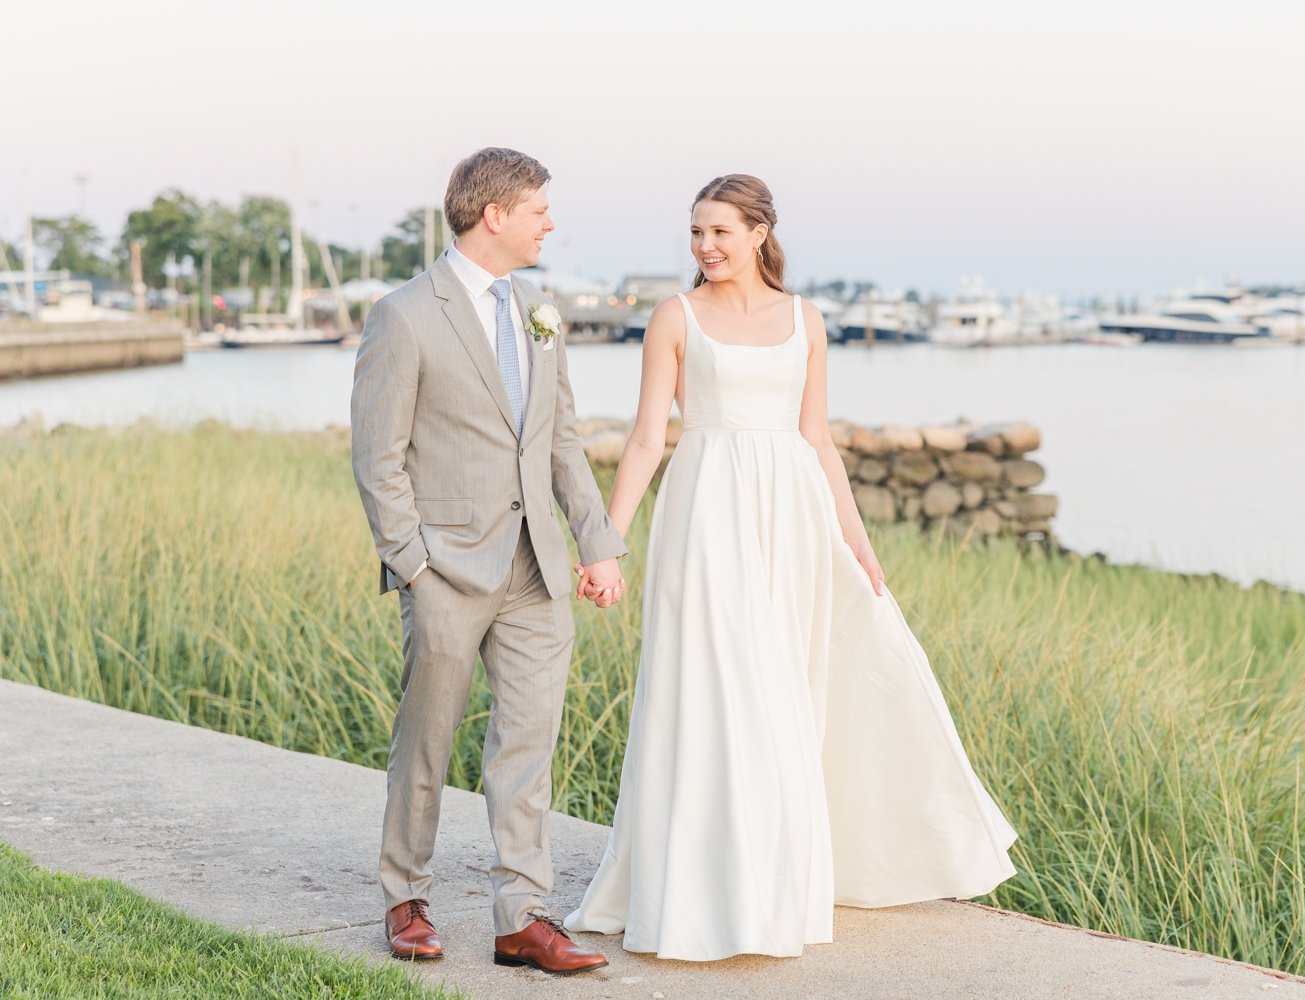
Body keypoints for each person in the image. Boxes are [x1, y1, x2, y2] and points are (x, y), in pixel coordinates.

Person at [565, 174, 1019, 961]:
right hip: (705, 512)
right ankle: (700, 891)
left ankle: (777, 887)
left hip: (794, 516)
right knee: (712, 688)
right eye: (697, 233)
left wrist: (857, 539)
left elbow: (818, 438)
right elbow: (646, 440)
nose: (706, 247)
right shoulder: (675, 318)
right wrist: (607, 541)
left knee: (785, 693)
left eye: (720, 232)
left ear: (760, 230)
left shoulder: (806, 321)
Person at [351, 147, 627, 975]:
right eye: (539, 209)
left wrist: (598, 543)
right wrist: (416, 563)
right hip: (446, 570)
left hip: (537, 570)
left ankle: (523, 918)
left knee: (527, 746)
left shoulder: (538, 311)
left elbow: (561, 441)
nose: (550, 223)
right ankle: (405, 896)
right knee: (426, 741)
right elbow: (378, 458)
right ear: (494, 215)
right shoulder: (404, 315)